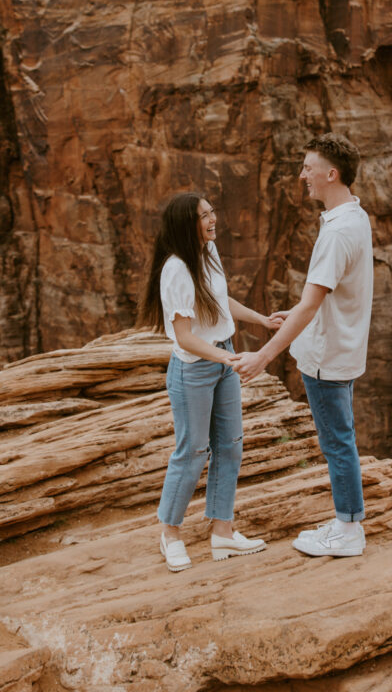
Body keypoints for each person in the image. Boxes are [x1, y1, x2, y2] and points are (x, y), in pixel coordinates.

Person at [233, 134, 373, 558]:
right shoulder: (353, 215)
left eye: (309, 167)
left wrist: (263, 355)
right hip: (340, 349)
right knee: (339, 440)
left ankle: (349, 531)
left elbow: (312, 306)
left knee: (337, 444)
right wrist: (289, 314)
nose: (302, 175)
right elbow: (320, 299)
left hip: (328, 357)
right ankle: (345, 519)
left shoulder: (337, 233)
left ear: (331, 174)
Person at [137, 191, 278, 572]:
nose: (213, 219)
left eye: (212, 211)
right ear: (187, 224)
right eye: (204, 216)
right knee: (193, 450)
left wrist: (262, 321)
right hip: (194, 370)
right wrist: (227, 359)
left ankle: (223, 532)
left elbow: (221, 301)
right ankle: (170, 533)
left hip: (221, 360)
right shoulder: (176, 269)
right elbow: (184, 337)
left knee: (230, 445)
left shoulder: (208, 252)